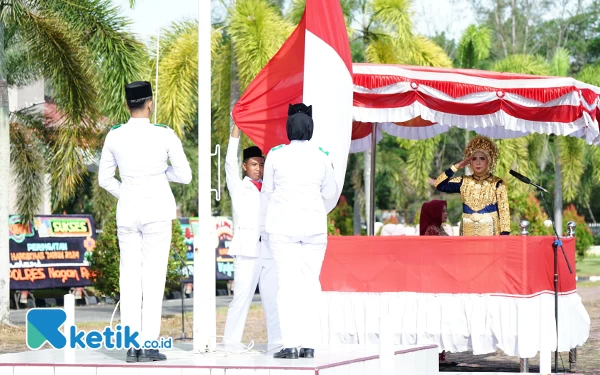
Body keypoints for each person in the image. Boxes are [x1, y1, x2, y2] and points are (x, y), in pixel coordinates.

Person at [98, 81, 192, 362]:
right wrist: (162, 173)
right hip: (156, 212)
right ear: (149, 103)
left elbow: (104, 179)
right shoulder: (165, 135)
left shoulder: (114, 136)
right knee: (153, 278)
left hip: (127, 211)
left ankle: (131, 346)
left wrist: (126, 190)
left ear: (127, 105)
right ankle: (149, 345)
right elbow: (185, 175)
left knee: (129, 278)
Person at [262, 103, 337, 359]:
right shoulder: (323, 156)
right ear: (311, 127)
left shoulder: (275, 155)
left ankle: (290, 345)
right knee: (310, 284)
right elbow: (330, 194)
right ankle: (309, 344)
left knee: (287, 285)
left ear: (288, 126)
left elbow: (267, 193)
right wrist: (316, 212)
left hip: (283, 228)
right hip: (314, 229)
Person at [223, 124, 281, 347]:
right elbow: (229, 163)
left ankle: (276, 343)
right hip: (246, 250)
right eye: (254, 164)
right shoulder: (239, 187)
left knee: (272, 299)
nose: (258, 169)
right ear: (245, 166)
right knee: (241, 298)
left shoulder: (270, 187)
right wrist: (236, 130)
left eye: (262, 164)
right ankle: (230, 343)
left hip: (268, 249)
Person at [434, 135, 510, 236]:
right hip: (467, 235)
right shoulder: (464, 181)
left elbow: (504, 215)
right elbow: (439, 185)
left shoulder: (497, 183)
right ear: (470, 161)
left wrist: (503, 238)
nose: (478, 162)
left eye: (482, 158)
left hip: (491, 236)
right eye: (474, 159)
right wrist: (456, 167)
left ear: (489, 161)